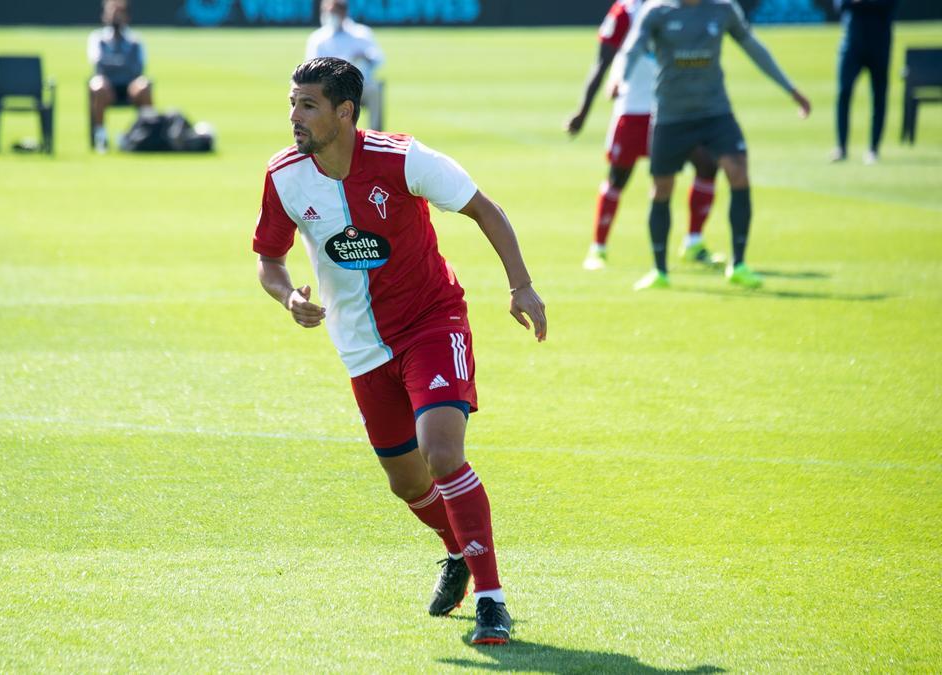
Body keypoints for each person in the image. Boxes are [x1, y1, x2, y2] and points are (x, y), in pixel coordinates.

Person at [253, 57, 547, 646]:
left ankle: (492, 601)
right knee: (407, 483)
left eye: (307, 105)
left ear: (345, 112)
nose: (294, 117)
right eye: (292, 103)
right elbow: (269, 259)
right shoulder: (284, 175)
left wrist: (520, 285)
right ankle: (456, 551)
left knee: (442, 454)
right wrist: (288, 298)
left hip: (431, 324)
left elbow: (485, 209)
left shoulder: (403, 158)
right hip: (361, 347)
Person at [615, 0, 811, 291]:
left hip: (715, 112)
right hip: (671, 116)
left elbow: (753, 47)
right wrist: (620, 79)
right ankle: (659, 271)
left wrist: (790, 89)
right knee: (661, 188)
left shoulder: (723, 9)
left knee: (738, 173)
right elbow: (632, 47)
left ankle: (739, 264)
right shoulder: (657, 11)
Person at [566, 0, 723, 272]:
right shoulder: (625, 12)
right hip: (633, 109)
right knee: (618, 177)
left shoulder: (678, 7)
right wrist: (583, 112)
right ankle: (598, 249)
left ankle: (693, 242)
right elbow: (603, 61)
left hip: (672, 111)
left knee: (707, 165)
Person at [832, 0, 897, 164]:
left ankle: (873, 148)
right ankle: (841, 147)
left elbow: (889, 4)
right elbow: (840, 4)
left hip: (880, 42)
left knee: (879, 95)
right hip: (852, 42)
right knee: (844, 92)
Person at [305, 0, 385, 130]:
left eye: (334, 13)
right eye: (327, 12)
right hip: (331, 87)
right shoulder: (318, 39)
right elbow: (311, 68)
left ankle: (376, 135)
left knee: (375, 89)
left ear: (344, 13)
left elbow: (378, 59)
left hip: (359, 86)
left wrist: (365, 57)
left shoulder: (361, 34)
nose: (330, 16)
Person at [88, 0, 152, 153]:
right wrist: (124, 63)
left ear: (126, 16)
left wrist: (115, 64)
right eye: (112, 12)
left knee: (144, 85)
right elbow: (99, 65)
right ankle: (101, 136)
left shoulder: (135, 40)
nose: (115, 17)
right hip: (108, 88)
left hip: (130, 87)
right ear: (104, 16)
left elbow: (138, 67)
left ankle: (145, 134)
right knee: (98, 85)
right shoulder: (97, 39)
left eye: (119, 13)